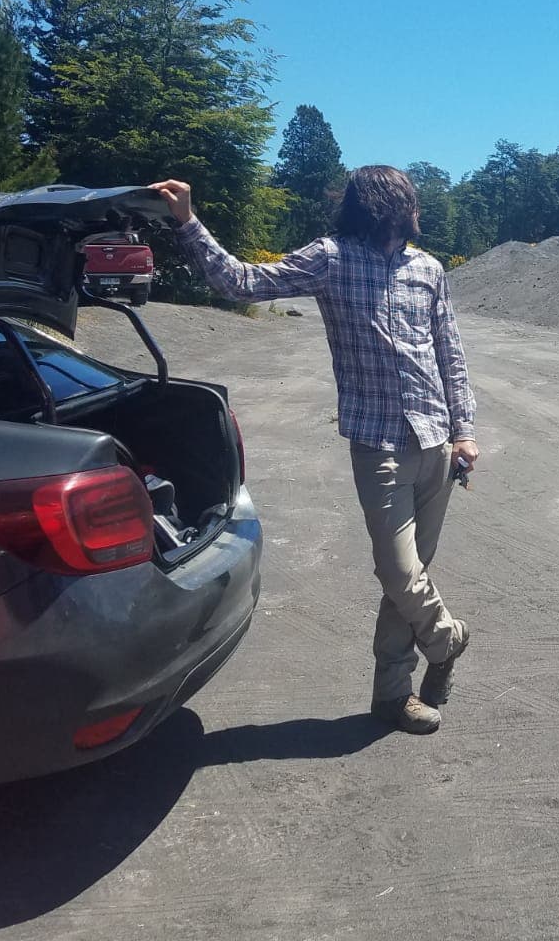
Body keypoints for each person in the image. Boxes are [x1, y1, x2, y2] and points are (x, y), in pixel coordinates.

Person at [149, 168, 477, 735]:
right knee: (398, 570)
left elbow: (450, 351)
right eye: (409, 200)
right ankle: (448, 638)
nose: (415, 208)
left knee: (413, 574)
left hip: (438, 442)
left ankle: (392, 695)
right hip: (379, 446)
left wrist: (465, 429)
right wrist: (188, 222)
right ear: (386, 205)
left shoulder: (428, 270)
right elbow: (241, 283)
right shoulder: (332, 258)